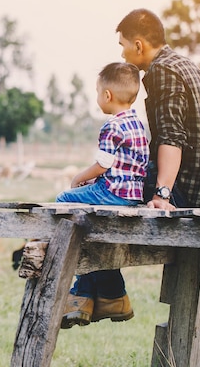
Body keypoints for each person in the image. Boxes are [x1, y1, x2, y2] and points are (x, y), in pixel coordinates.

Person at [56, 61, 149, 329]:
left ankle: (61, 260)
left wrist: (79, 178)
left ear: (107, 95)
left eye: (97, 93)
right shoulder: (137, 124)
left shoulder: (111, 126)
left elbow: (103, 165)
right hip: (132, 194)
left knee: (62, 200)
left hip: (111, 191)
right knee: (89, 224)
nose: (97, 98)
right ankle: (103, 296)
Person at [115, 8, 200, 212]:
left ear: (138, 46)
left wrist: (162, 195)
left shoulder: (162, 70)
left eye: (123, 45)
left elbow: (171, 136)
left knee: (112, 178)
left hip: (184, 193)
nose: (122, 54)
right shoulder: (182, 64)